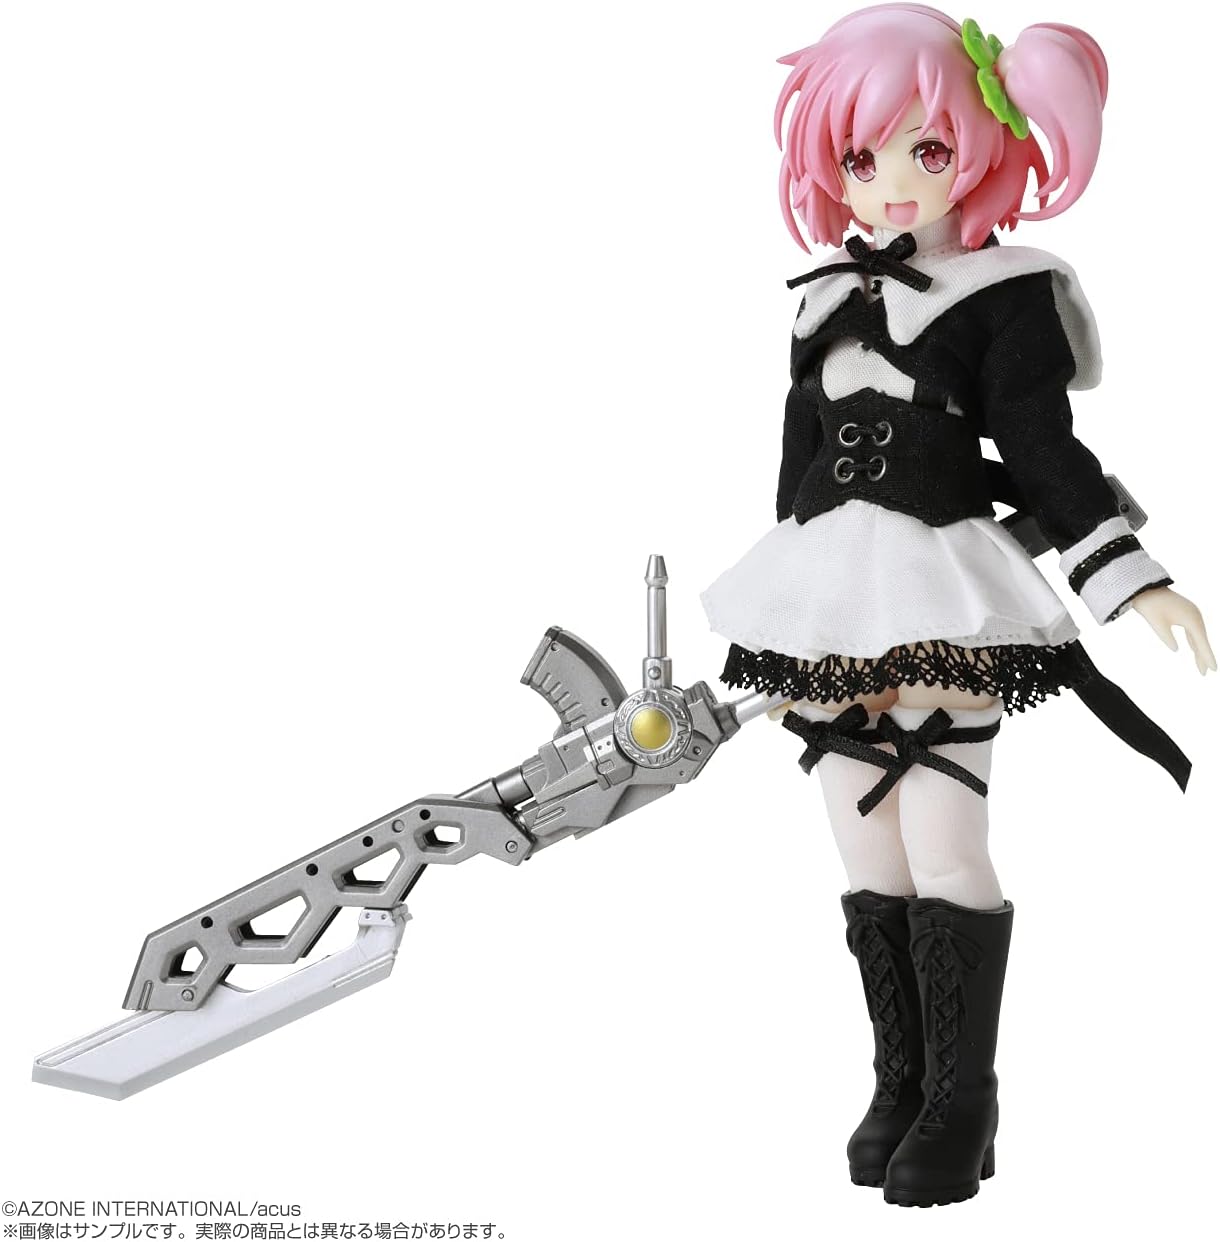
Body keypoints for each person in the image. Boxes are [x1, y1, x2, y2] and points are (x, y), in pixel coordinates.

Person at [700, 4, 1214, 1208]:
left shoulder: (1006, 295)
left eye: (924, 149)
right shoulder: (815, 298)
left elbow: (1042, 453)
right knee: (862, 840)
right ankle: (898, 1083)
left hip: (940, 586)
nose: (887, 181)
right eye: (856, 155)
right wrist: (785, 622)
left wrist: (1129, 579)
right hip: (826, 594)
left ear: (982, 149)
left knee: (941, 836)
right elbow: (796, 470)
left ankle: (961, 1099)